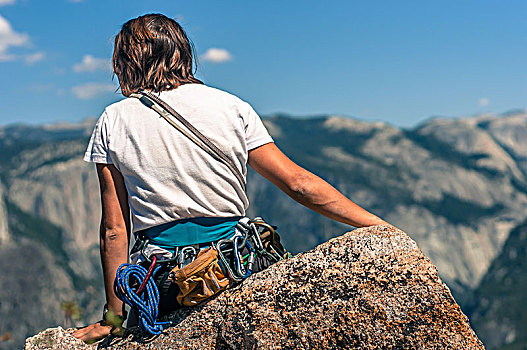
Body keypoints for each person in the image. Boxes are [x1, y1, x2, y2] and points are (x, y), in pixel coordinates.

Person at [72, 13, 387, 343]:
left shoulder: (114, 119)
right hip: (237, 264)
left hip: (166, 282)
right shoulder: (232, 106)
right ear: (182, 53)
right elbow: (299, 184)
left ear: (126, 61)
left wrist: (113, 317)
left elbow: (114, 229)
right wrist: (377, 225)